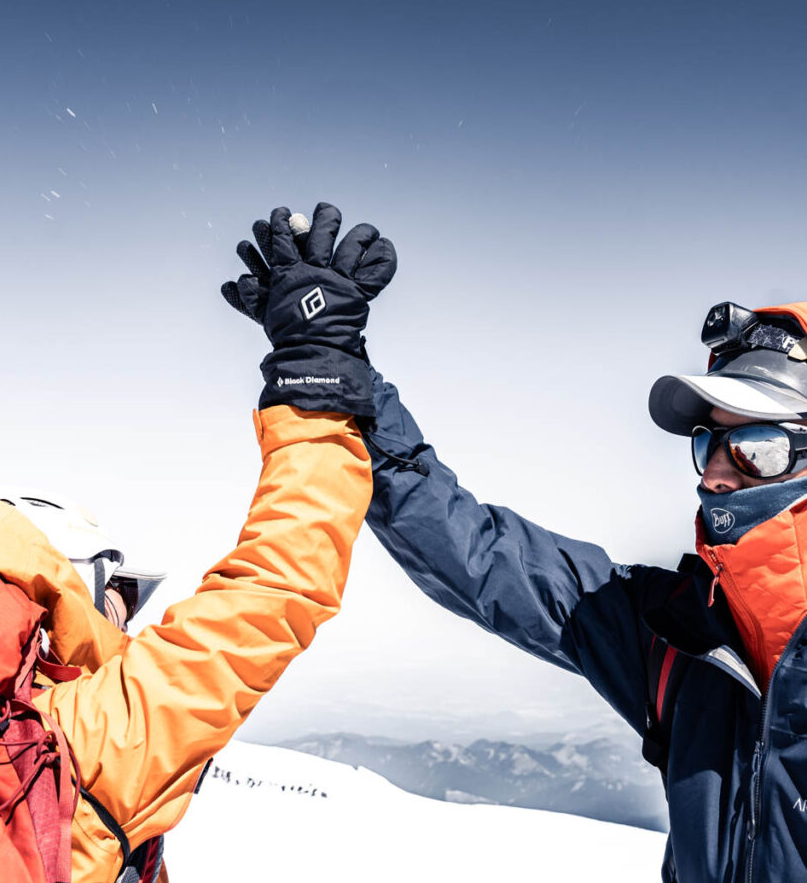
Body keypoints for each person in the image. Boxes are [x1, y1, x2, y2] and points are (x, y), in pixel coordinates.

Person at [225, 206, 807, 882]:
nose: (713, 472)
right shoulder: (675, 631)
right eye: (706, 440)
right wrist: (338, 375)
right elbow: (475, 553)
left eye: (756, 446)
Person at [0, 208, 395, 883]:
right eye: (113, 592)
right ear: (56, 587)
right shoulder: (77, 742)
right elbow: (279, 582)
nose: (124, 613)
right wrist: (316, 367)